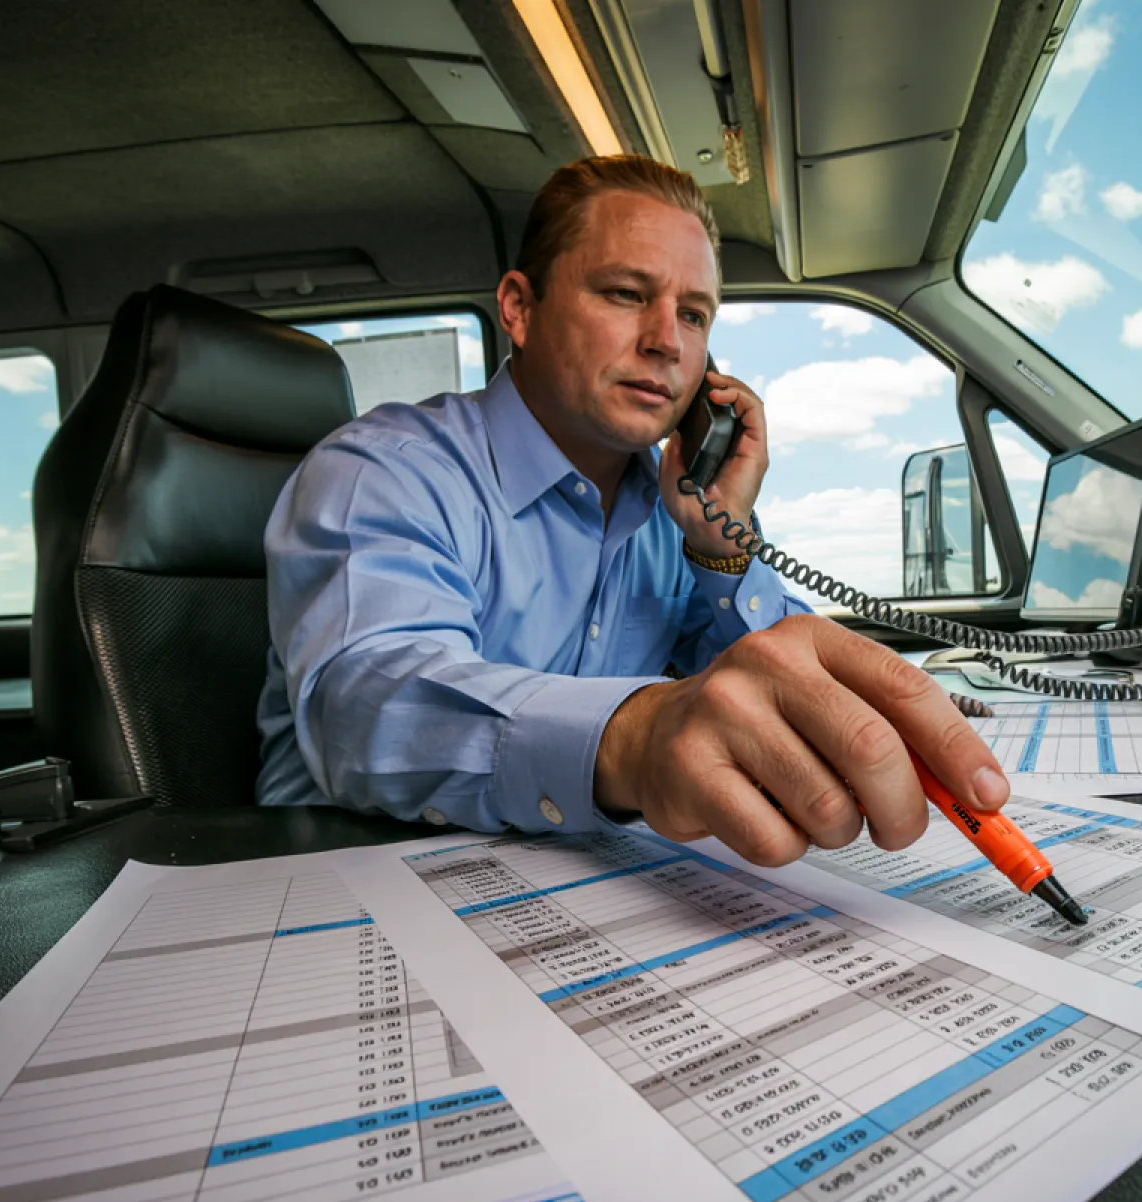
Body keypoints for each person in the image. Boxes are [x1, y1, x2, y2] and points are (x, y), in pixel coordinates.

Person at [256, 154, 1009, 866]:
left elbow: (767, 688)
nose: (667, 343)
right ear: (519, 308)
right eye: (625, 294)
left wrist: (721, 547)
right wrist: (637, 737)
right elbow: (367, 707)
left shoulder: (671, 511)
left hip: (568, 874)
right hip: (340, 874)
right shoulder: (384, 471)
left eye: (694, 315)